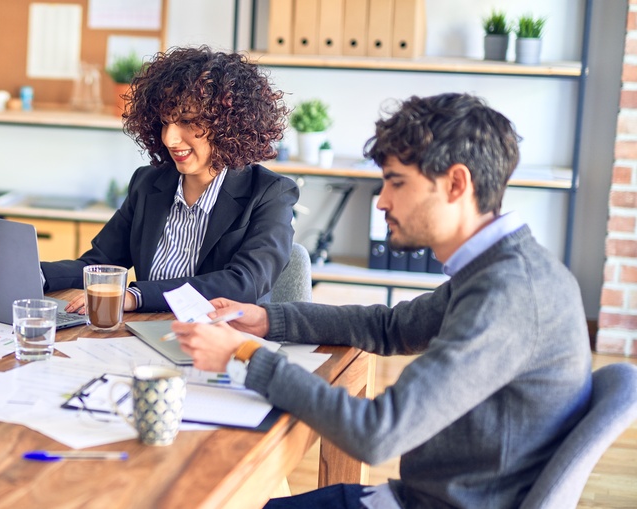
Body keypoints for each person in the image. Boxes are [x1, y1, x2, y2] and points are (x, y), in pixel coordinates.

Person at [171, 93, 592, 508]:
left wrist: (243, 354)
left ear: (457, 184)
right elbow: (390, 328)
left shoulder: (509, 294)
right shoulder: (499, 269)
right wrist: (266, 320)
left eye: (396, 182)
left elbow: (376, 432)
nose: (382, 201)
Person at [40, 46, 298, 313]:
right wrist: (36, 274)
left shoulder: (270, 194)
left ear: (227, 124)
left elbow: (243, 284)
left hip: (219, 340)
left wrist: (135, 296)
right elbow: (98, 265)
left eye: (187, 121)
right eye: (165, 121)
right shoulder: (148, 183)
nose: (169, 138)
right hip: (142, 335)